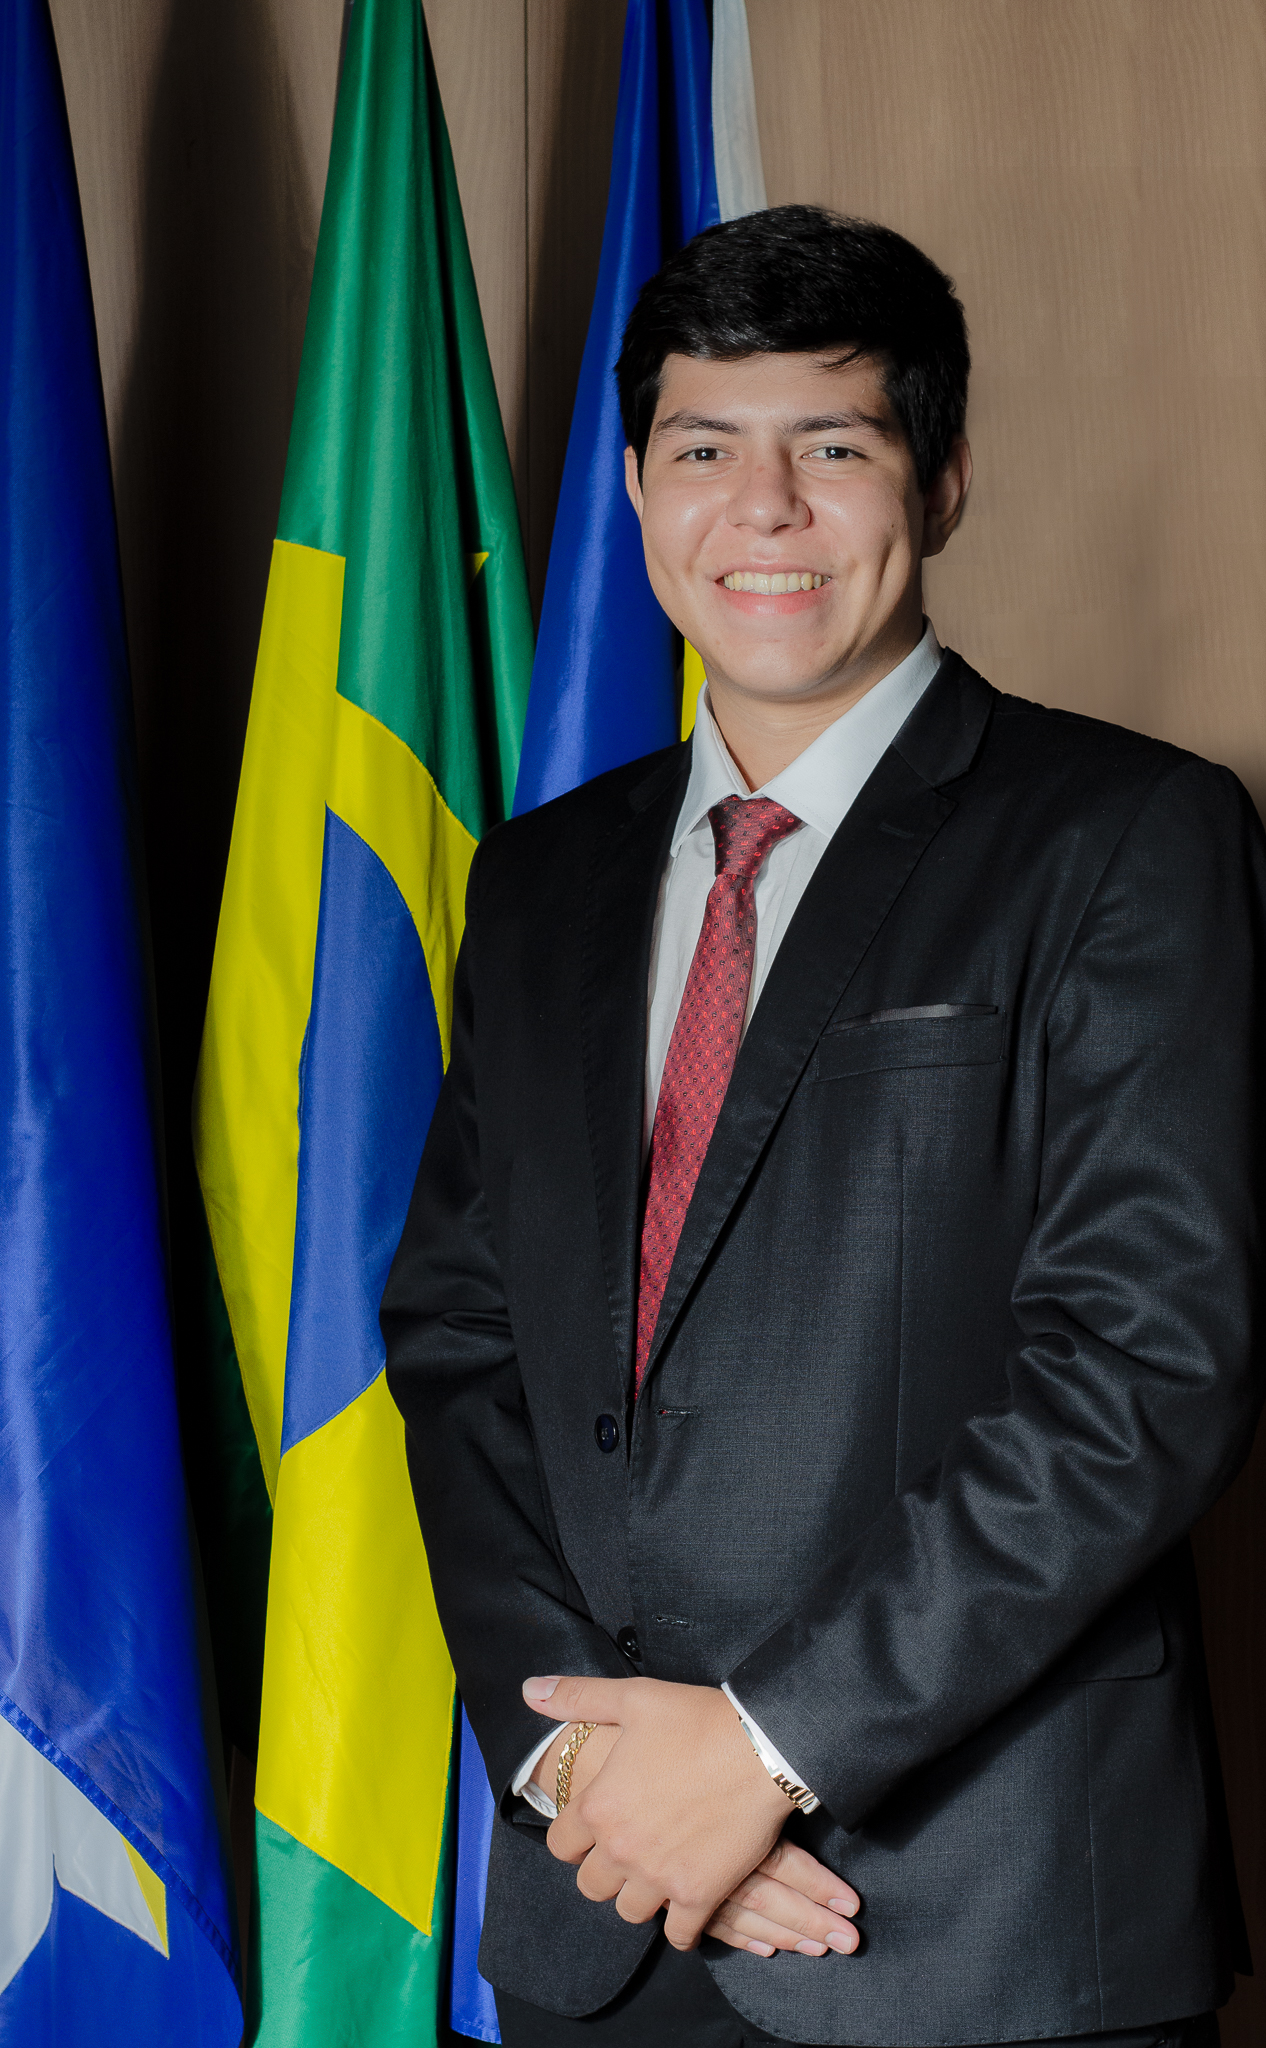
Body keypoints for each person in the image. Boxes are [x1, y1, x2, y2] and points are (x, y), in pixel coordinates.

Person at [381, 206, 1263, 2047]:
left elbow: (1146, 1364)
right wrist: (578, 1771)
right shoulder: (538, 883)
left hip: (983, 1927)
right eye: (704, 449)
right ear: (639, 490)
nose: (762, 510)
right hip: (601, 1905)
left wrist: (766, 1749)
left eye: (833, 447)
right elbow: (461, 1343)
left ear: (939, 482)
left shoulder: (1127, 836)